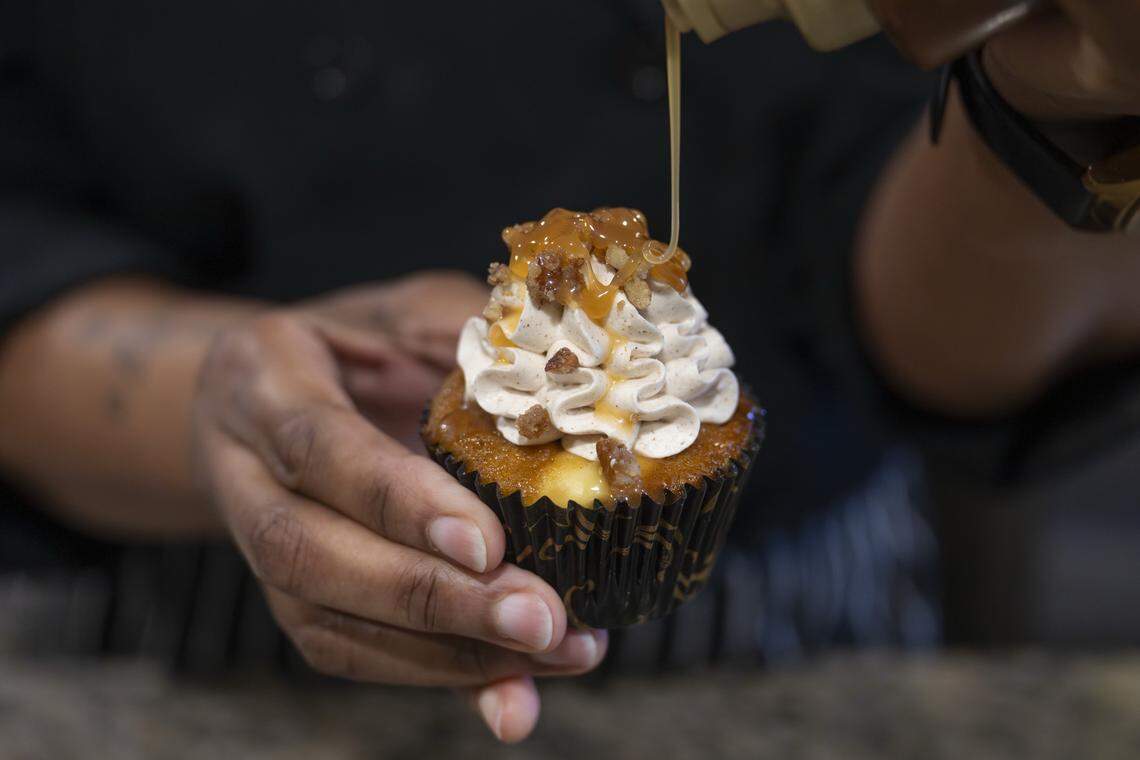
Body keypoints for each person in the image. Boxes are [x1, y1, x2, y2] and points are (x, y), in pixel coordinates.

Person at [0, 0, 1136, 744]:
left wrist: (1054, 108)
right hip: (197, 620)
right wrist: (219, 390)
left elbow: (952, 319)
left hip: (796, 614)